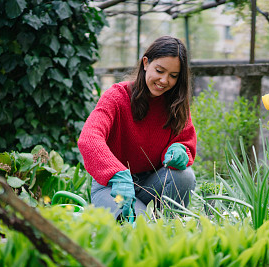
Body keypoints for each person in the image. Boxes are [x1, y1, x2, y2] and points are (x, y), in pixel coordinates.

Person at [78, 36, 197, 221]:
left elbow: (185, 141)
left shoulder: (175, 105)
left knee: (184, 176)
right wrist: (115, 173)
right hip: (112, 186)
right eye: (160, 70)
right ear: (145, 63)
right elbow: (89, 138)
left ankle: (170, 226)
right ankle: (145, 223)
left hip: (150, 183)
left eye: (173, 76)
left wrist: (179, 149)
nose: (164, 80)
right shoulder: (117, 97)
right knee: (142, 225)